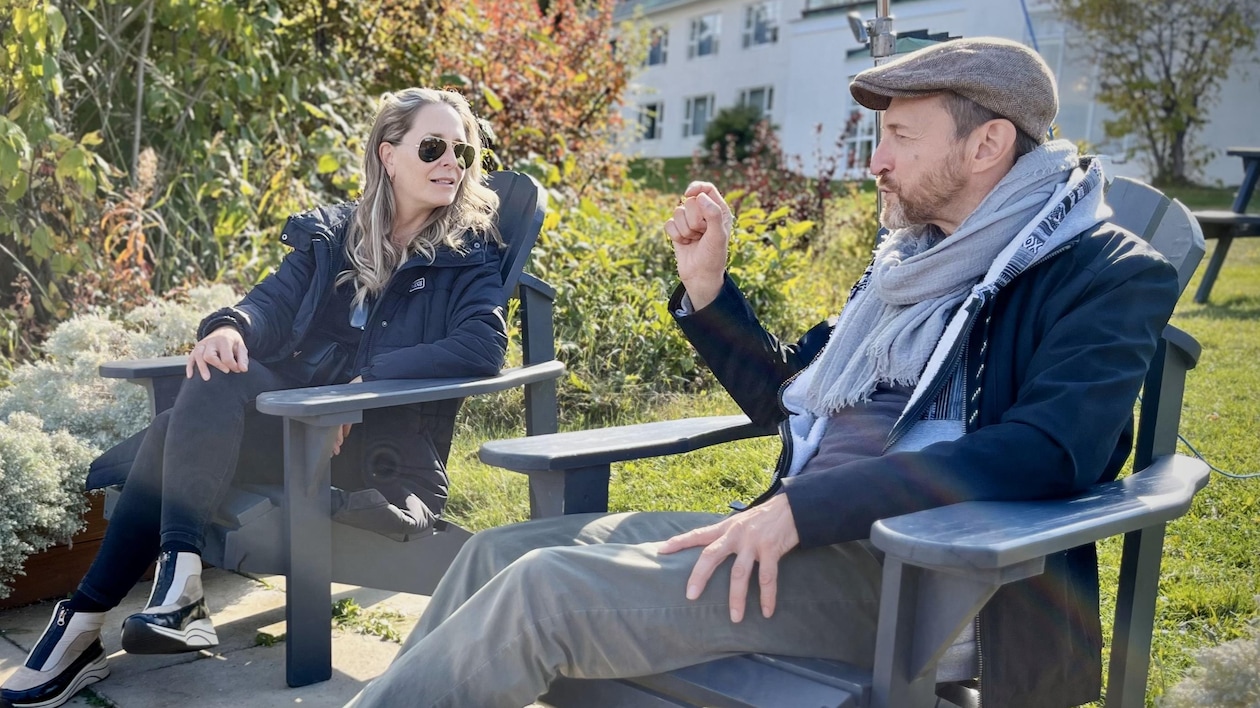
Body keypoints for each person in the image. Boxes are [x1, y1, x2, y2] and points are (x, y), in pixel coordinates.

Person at [348, 38, 1181, 708]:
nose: (876, 162)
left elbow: (1048, 450)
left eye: (900, 136)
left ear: (988, 142)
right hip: (800, 538)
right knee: (495, 555)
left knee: (543, 593)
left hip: (927, 578)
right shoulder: (915, 265)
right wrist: (709, 289)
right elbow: (793, 396)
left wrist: (806, 510)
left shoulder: (1105, 272)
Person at [1, 87, 509, 708]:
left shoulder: (469, 253)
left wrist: (359, 389)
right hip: (290, 427)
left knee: (167, 438)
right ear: (388, 155)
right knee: (216, 369)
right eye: (433, 146)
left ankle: (87, 624)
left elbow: (482, 345)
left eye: (462, 149)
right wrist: (227, 328)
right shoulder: (333, 235)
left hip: (373, 450)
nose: (451, 161)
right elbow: (266, 303)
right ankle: (174, 583)